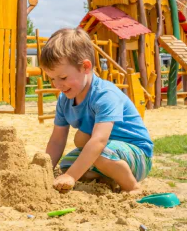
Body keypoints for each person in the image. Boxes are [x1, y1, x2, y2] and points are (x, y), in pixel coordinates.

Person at [41, 28, 153, 193]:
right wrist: (45, 170)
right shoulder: (64, 100)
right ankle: (107, 178)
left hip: (137, 155)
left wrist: (72, 177)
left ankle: (132, 186)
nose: (57, 85)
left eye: (63, 78)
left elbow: (99, 141)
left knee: (95, 153)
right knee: (67, 164)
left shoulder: (104, 95)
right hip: (107, 152)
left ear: (85, 67)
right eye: (52, 79)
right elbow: (57, 140)